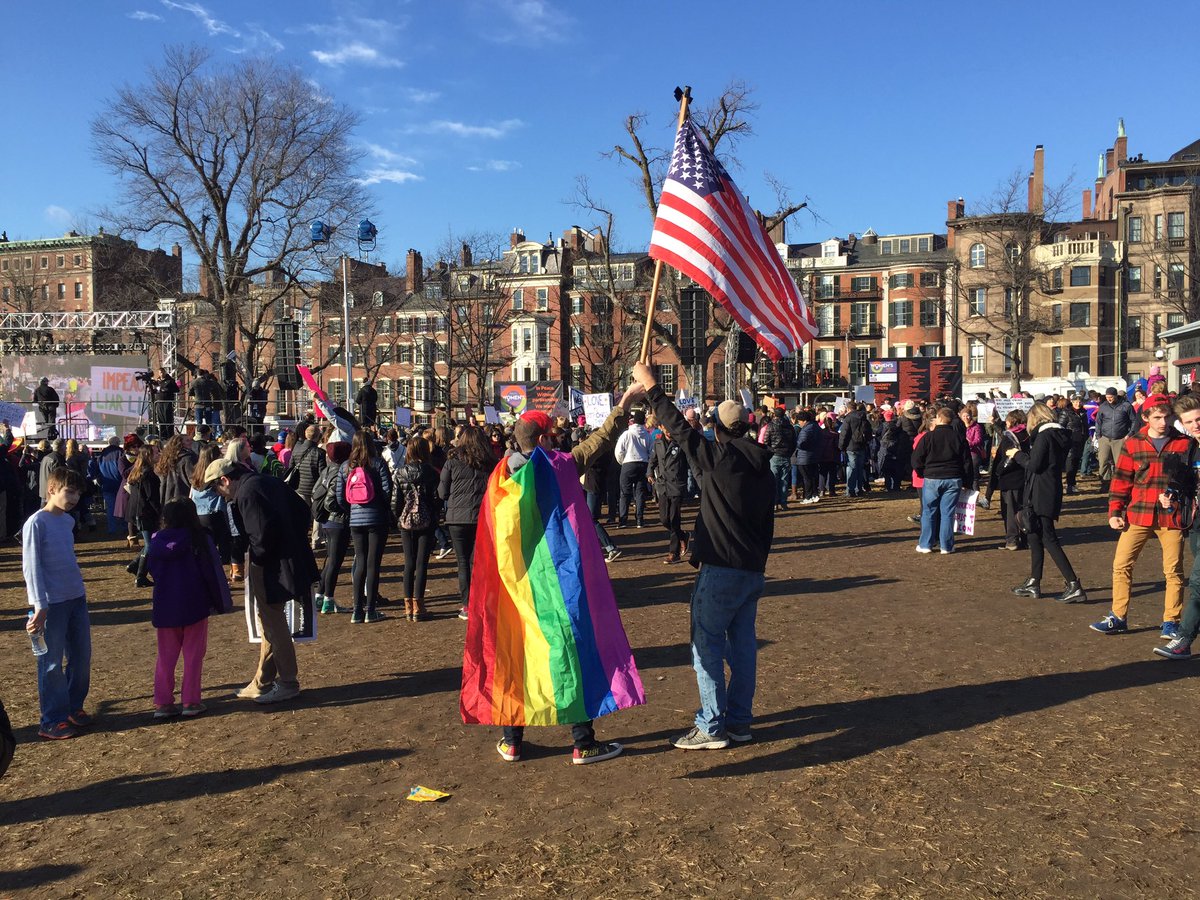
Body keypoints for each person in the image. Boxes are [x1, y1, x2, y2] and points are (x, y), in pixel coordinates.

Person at [483, 381, 645, 765]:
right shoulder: (560, 467)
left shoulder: (501, 476)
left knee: (519, 652)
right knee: (571, 650)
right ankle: (583, 741)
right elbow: (599, 443)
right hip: (561, 577)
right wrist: (622, 404)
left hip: (519, 583)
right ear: (542, 438)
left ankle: (512, 740)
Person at [635, 362, 773, 749]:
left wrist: (650, 386)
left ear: (717, 428)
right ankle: (740, 721)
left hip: (722, 568)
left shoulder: (719, 459)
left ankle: (711, 724)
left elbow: (679, 430)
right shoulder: (765, 468)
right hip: (751, 569)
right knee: (743, 646)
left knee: (706, 645)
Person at [205, 457, 319, 704]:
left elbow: (260, 537)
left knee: (273, 623)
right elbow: (302, 510)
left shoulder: (246, 493)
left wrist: (256, 561)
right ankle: (263, 680)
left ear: (225, 480)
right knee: (270, 621)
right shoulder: (267, 481)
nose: (220, 495)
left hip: (272, 566)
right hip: (292, 558)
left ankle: (288, 681)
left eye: (217, 488)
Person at [1089, 394, 1189, 637]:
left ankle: (1171, 622)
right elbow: (1121, 480)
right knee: (1121, 565)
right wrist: (1115, 511)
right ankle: (1118, 616)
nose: (1163, 422)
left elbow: (1190, 480)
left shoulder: (1184, 444)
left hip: (1172, 517)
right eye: (1157, 417)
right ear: (1145, 417)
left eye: (1167, 416)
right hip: (1138, 514)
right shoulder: (1133, 443)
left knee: (1173, 571)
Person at [146, 498, 232, 718]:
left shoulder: (155, 542)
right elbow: (210, 572)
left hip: (165, 607)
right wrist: (219, 601)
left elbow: (153, 572)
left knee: (165, 656)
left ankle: (163, 703)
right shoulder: (199, 540)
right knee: (193, 655)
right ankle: (191, 701)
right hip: (194, 604)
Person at [23, 467, 92, 740]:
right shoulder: (35, 523)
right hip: (51, 604)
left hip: (76, 597)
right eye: (69, 491)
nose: (74, 497)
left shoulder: (67, 522)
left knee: (81, 657)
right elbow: (31, 567)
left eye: (77, 492)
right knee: (50, 662)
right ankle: (52, 719)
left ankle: (74, 707)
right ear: (52, 489)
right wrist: (40, 605)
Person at [1008, 402, 1086, 601]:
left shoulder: (1044, 436)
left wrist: (1017, 455)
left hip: (1041, 491)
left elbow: (1034, 465)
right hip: (1049, 489)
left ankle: (1073, 583)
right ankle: (1034, 580)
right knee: (1034, 535)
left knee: (1049, 538)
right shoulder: (1059, 435)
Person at [1155, 393, 1200, 659]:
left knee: (1197, 582)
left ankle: (1183, 639)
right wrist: (1169, 495)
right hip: (1196, 524)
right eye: (1190, 421)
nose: (1196, 425)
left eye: (1199, 419)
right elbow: (1184, 482)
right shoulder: (1191, 448)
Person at [336, 429, 393, 624]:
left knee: (359, 561)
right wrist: (381, 507)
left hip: (356, 519)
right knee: (373, 564)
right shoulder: (377, 464)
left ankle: (357, 609)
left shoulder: (345, 467)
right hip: (376, 518)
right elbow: (387, 490)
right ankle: (371, 609)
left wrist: (352, 509)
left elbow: (339, 496)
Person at [439, 427, 493, 620]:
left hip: (457, 518)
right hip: (481, 516)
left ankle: (467, 605)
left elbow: (442, 492)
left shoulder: (452, 462)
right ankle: (480, 602)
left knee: (463, 562)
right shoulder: (490, 463)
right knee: (477, 562)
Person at [910, 407, 970, 554]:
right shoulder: (959, 437)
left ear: (939, 418)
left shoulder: (928, 437)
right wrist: (967, 482)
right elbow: (967, 462)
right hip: (953, 478)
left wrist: (922, 472)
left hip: (932, 478)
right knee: (948, 513)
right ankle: (946, 546)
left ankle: (925, 544)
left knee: (928, 512)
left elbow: (916, 459)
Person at [393, 434, 439, 621]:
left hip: (406, 520)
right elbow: (436, 499)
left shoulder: (400, 472)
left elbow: (395, 501)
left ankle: (407, 606)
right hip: (426, 519)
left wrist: (398, 518)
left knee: (408, 563)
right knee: (421, 564)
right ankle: (418, 605)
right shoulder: (431, 472)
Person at [985, 410, 1030, 551]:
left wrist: (999, 471)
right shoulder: (1028, 435)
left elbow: (1007, 458)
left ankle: (1012, 540)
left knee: (1010, 511)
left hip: (1010, 478)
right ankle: (1025, 538)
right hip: (1025, 478)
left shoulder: (1009, 437)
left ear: (1011, 421)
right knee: (1023, 509)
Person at [649, 416, 690, 564]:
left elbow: (690, 463)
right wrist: (649, 473)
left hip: (677, 485)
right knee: (664, 518)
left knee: (674, 518)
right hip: (662, 485)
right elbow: (653, 460)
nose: (668, 431)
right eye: (665, 427)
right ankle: (682, 535)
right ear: (661, 427)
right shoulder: (657, 443)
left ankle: (673, 553)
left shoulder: (680, 444)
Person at [125, 447, 162, 589]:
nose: (159, 454)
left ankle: (135, 565)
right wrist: (161, 513)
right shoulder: (148, 475)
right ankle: (140, 575)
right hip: (144, 513)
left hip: (137, 512)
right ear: (148, 456)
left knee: (149, 543)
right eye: (156, 452)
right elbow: (152, 498)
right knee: (150, 545)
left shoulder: (137, 472)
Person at [1094, 387, 1136, 493]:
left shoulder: (1126, 406)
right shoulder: (1103, 407)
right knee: (1103, 462)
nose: (1109, 399)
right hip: (1105, 438)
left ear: (1116, 396)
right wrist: (1099, 437)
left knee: (1120, 463)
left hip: (1120, 438)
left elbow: (1134, 421)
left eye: (1111, 397)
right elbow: (1098, 422)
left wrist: (1129, 434)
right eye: (1107, 397)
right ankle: (1105, 483)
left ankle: (1120, 486)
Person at [614, 411, 652, 528]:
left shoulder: (627, 434)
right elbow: (651, 451)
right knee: (640, 493)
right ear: (644, 421)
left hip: (628, 463)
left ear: (633, 420)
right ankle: (640, 520)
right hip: (643, 463)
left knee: (625, 493)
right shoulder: (647, 435)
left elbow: (619, 451)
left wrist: (622, 462)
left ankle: (623, 520)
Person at [764, 406, 797, 510]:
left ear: (774, 415)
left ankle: (774, 503)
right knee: (784, 480)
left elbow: (766, 441)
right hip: (786, 455)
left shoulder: (770, 426)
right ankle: (783, 502)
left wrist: (769, 451)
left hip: (774, 455)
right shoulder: (790, 426)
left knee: (774, 480)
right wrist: (789, 452)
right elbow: (793, 442)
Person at [838, 402, 872, 497]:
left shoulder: (848, 418)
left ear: (848, 409)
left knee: (851, 468)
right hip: (862, 445)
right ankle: (859, 489)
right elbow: (869, 431)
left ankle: (850, 490)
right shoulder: (863, 416)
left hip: (851, 446)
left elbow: (844, 433)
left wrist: (841, 446)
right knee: (859, 469)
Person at [154, 369, 178, 437]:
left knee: (168, 419)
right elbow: (155, 390)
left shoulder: (170, 380)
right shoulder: (157, 381)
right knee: (161, 420)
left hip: (167, 401)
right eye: (160, 372)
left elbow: (176, 389)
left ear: (164, 372)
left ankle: (170, 435)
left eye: (162, 372)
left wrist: (165, 389)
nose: (161, 374)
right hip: (159, 402)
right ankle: (162, 435)